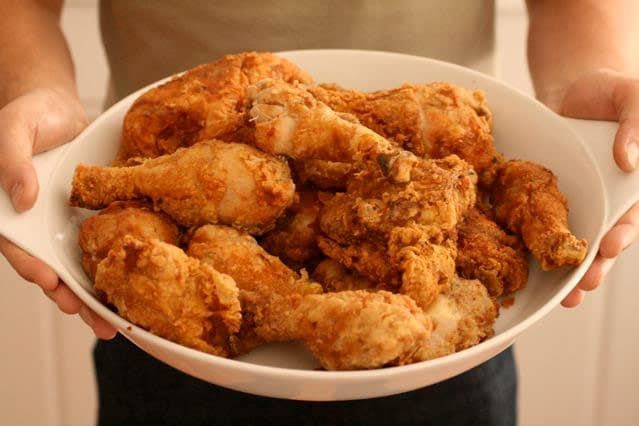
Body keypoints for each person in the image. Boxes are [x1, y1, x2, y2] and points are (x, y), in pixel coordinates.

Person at [1, 1, 637, 425]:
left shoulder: (435, 189)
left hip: (448, 372)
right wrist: (37, 92)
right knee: (261, 198)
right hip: (159, 324)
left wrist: (587, 92)